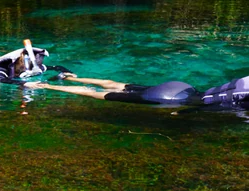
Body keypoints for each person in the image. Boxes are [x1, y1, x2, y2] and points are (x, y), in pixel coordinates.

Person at [23, 71, 249, 108]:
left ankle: (70, 77)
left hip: (182, 88)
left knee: (120, 85)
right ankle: (46, 85)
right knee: (98, 94)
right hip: (170, 98)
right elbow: (210, 107)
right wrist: (181, 113)